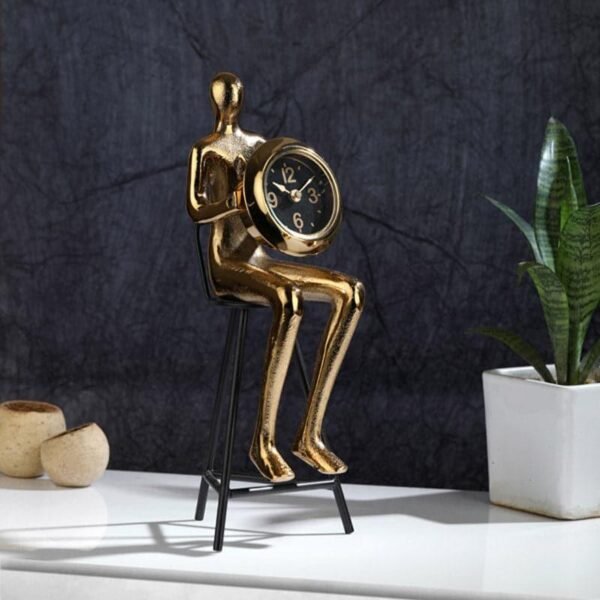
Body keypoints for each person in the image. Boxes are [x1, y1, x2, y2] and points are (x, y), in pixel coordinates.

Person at [187, 72, 365, 482]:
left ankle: (309, 435)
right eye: (225, 97)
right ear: (216, 100)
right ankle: (263, 442)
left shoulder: (257, 145)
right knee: (288, 298)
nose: (231, 103)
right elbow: (195, 210)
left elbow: (275, 194)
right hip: (227, 262)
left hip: (260, 257)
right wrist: (232, 202)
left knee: (350, 292)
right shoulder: (206, 148)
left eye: (235, 96)